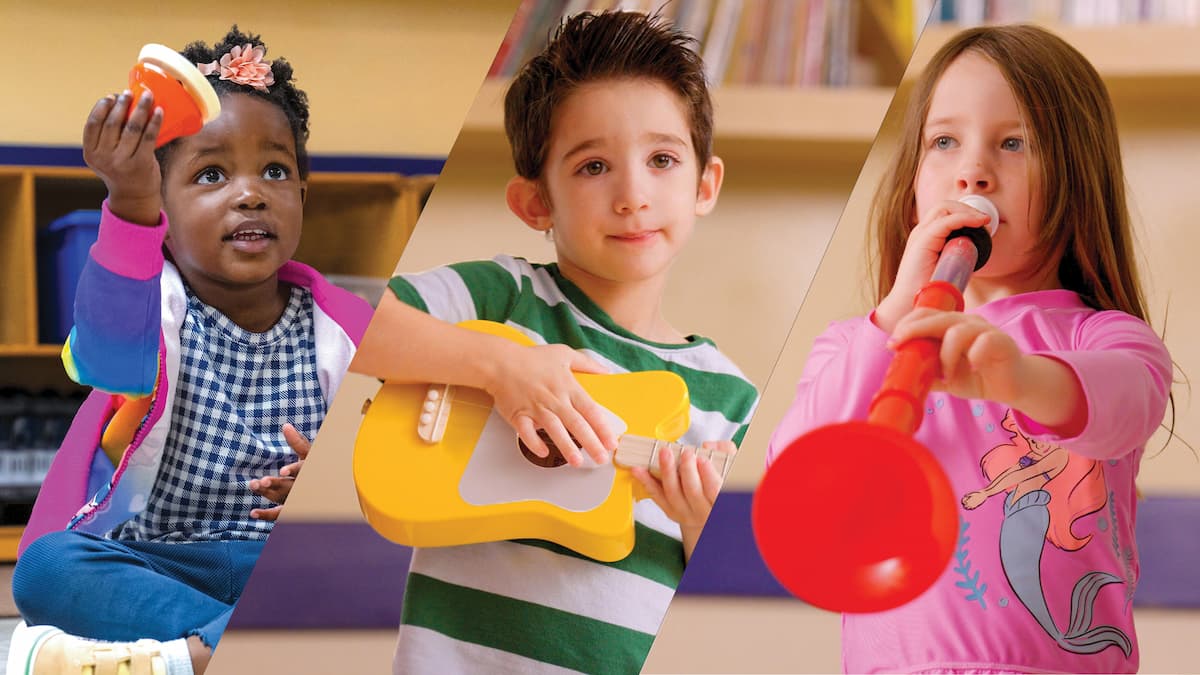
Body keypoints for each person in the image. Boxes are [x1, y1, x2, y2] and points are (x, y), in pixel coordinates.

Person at [351, 11, 759, 674]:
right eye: (594, 165)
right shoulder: (502, 299)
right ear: (535, 202)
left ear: (704, 183)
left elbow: (726, 603)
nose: (633, 195)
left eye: (661, 159)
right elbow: (344, 321)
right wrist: (500, 366)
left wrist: (699, 523)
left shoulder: (732, 399)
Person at [767, 24, 1172, 674]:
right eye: (943, 141)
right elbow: (796, 472)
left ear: (1076, 172)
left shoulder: (1102, 337)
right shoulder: (855, 344)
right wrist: (896, 314)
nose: (973, 169)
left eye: (1013, 142)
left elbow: (1132, 398)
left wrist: (1018, 377)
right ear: (912, 186)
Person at [8, 27, 372, 675]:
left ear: (302, 198)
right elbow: (105, 353)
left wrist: (335, 488)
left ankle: (186, 658)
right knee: (47, 568)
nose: (250, 191)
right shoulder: (153, 310)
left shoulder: (350, 328)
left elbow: (387, 458)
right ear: (164, 207)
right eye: (211, 173)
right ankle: (262, 646)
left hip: (291, 563)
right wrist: (127, 203)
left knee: (399, 572)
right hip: (163, 559)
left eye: (276, 170)